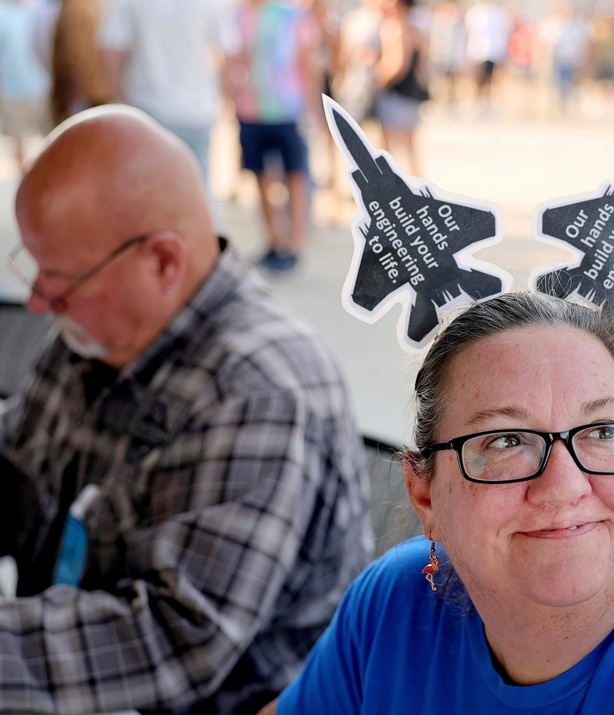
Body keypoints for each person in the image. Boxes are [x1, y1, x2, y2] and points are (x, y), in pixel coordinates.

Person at [257, 292, 614, 714]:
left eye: (603, 431)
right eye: (505, 441)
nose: (564, 485)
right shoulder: (394, 604)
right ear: (424, 493)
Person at [0, 105, 372, 713]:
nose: (40, 299)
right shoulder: (100, 329)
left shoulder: (259, 390)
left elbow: (169, 641)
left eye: (61, 277)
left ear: (163, 262)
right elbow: (16, 464)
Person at [97, 0, 241, 191]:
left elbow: (110, 50)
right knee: (197, 189)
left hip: (150, 108)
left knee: (155, 193)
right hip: (198, 110)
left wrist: (122, 97)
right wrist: (227, 100)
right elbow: (229, 54)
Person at [227, 0, 320, 274]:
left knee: (296, 175)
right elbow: (231, 61)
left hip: (287, 109)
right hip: (251, 109)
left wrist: (312, 107)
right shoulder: (239, 16)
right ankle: (273, 239)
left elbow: (307, 61)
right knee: (261, 176)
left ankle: (294, 244)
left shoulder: (291, 15)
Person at [375, 0, 430, 177]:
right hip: (411, 93)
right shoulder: (416, 30)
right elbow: (423, 66)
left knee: (386, 146)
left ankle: (385, 189)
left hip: (396, 93)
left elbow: (397, 64)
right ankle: (421, 189)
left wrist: (378, 81)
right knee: (410, 147)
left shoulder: (396, 28)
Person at [0, 0, 52, 173]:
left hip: (44, 86)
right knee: (19, 144)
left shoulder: (41, 9)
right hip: (12, 89)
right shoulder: (3, 12)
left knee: (50, 138)